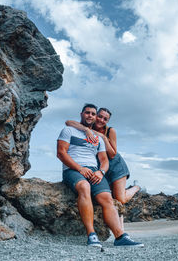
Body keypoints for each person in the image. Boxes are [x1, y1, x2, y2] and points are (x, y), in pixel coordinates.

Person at [57, 103, 144, 247]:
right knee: (84, 187)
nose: (90, 116)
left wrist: (101, 171)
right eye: (87, 113)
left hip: (110, 167)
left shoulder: (101, 136)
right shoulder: (69, 130)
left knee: (108, 198)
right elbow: (61, 153)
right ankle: (92, 235)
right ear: (81, 114)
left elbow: (105, 159)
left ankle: (121, 237)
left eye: (93, 113)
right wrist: (80, 169)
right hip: (73, 170)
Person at [65, 107, 141, 206]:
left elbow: (112, 154)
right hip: (100, 166)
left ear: (108, 121)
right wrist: (86, 129)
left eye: (105, 119)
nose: (101, 120)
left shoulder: (110, 131)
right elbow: (68, 122)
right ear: (95, 115)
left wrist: (104, 138)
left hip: (115, 165)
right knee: (107, 197)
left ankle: (136, 187)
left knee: (120, 199)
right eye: (99, 116)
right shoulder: (89, 126)